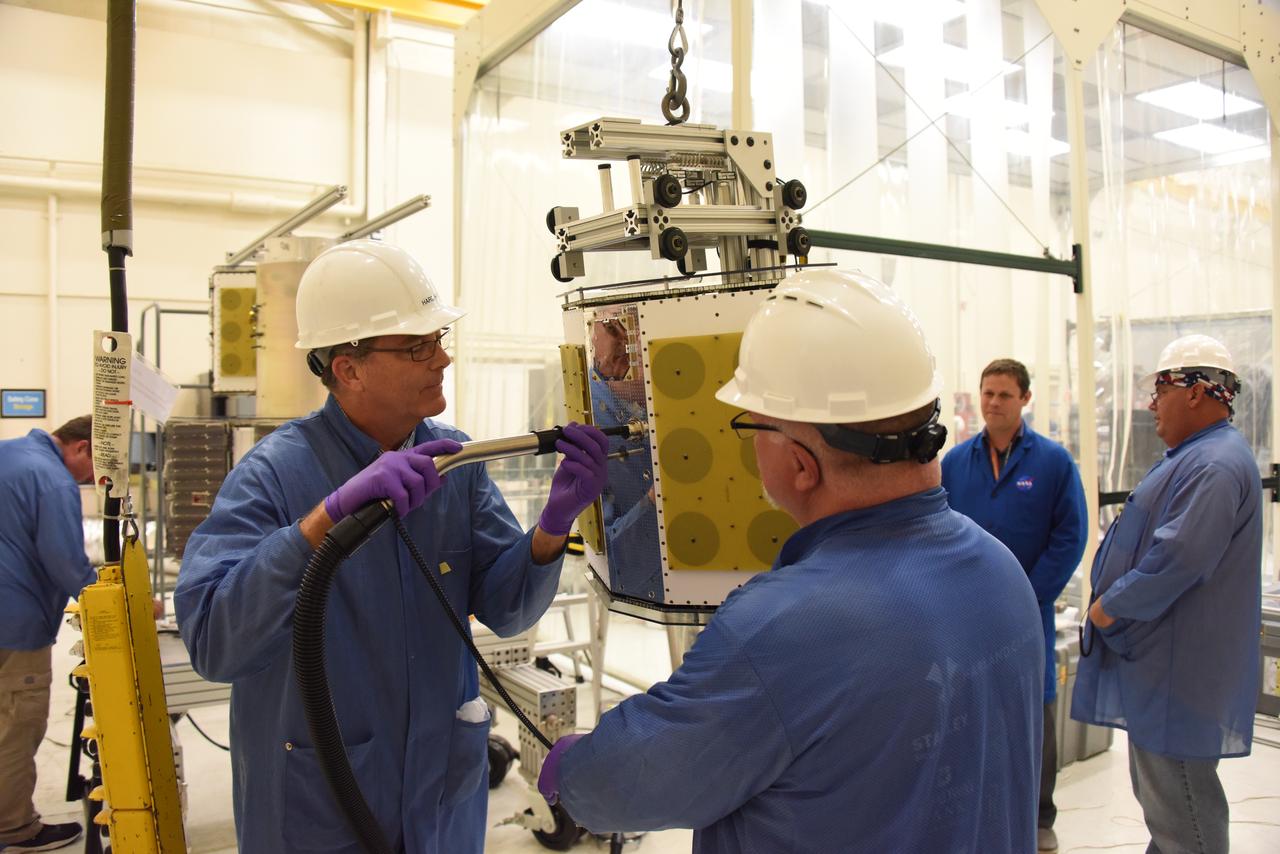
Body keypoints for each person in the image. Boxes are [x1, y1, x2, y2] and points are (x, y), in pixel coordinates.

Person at [537, 268, 1045, 852]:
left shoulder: (784, 628)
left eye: (753, 424)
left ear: (802, 465)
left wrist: (577, 768)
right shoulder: (1003, 573)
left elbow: (623, 784)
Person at [174, 240, 609, 854]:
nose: (444, 358)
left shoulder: (455, 461)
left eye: (437, 339)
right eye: (418, 347)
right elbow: (214, 641)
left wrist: (551, 526)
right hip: (322, 808)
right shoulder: (273, 474)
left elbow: (507, 609)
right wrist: (324, 522)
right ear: (347, 368)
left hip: (440, 802)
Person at [1072, 333, 1261, 854]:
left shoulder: (1215, 464)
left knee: (1184, 816)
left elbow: (1180, 558)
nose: (1151, 404)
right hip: (1167, 663)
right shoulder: (1199, 455)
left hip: (1179, 670)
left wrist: (1111, 607)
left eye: (1159, 389)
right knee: (1170, 809)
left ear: (1196, 391)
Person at [941, 358, 1087, 853]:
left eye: (1004, 395)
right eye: (987, 393)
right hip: (965, 614)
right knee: (967, 707)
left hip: (1029, 613)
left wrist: (1028, 594)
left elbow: (1071, 536)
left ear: (1025, 399)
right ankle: (972, 808)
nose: (993, 403)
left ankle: (1039, 817)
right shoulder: (954, 464)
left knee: (1033, 709)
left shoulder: (1053, 463)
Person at [0, 415, 96, 853]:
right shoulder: (54, 481)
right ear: (80, 448)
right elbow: (66, 562)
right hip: (15, 623)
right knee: (18, 726)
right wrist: (123, 599)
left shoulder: (10, 453)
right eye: (94, 469)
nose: (93, 479)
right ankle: (14, 830)